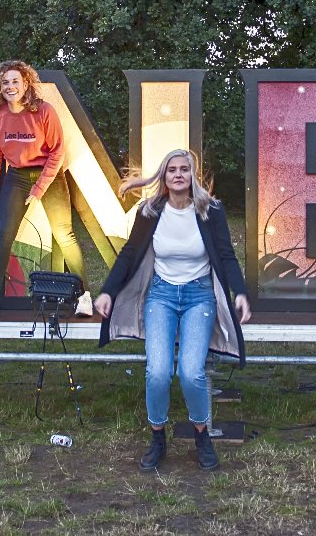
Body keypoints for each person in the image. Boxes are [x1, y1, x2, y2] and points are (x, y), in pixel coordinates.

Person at [94, 149, 251, 472]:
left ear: (192, 175)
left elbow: (226, 256)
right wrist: (107, 291)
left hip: (199, 297)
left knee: (191, 372)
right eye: (171, 170)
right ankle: (157, 436)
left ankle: (201, 434)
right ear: (163, 177)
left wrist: (241, 293)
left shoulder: (210, 210)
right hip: (161, 296)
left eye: (184, 169)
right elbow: (128, 254)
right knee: (158, 372)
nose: (178, 175)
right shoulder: (150, 211)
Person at [0, 60, 91, 318]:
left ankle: (84, 295)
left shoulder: (44, 111)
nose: (10, 87)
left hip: (48, 176)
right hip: (16, 176)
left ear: (26, 83)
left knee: (65, 234)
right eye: (5, 82)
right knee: (4, 235)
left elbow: (57, 152)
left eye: (15, 81)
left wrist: (39, 188)